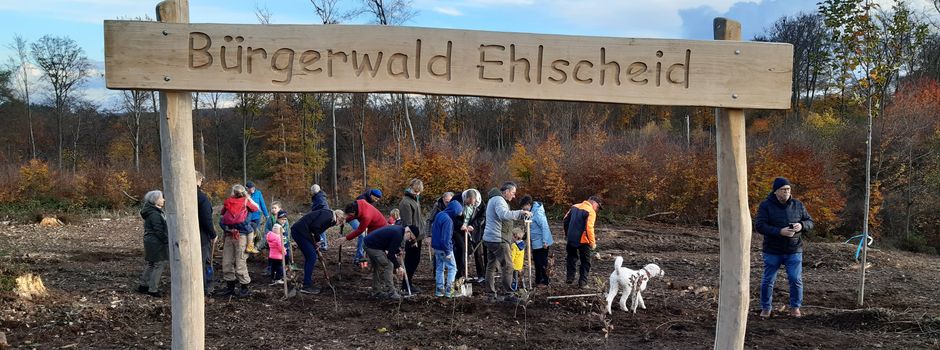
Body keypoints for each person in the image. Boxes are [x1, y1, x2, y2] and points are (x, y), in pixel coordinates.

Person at [755, 177, 813, 318]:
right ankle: (766, 307)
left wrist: (802, 226)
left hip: (794, 249)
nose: (786, 192)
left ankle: (795, 307)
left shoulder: (798, 205)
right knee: (768, 280)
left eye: (788, 189)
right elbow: (760, 226)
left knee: (795, 279)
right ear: (776, 191)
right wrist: (779, 231)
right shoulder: (766, 206)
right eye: (783, 189)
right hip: (772, 250)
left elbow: (810, 221)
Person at [483, 182, 531, 302]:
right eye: (513, 193)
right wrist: (521, 212)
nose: (514, 196)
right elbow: (503, 214)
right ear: (507, 191)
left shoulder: (493, 200)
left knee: (491, 266)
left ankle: (490, 294)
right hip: (498, 239)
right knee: (508, 266)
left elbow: (504, 215)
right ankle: (509, 294)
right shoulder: (499, 200)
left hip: (489, 238)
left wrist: (519, 215)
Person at [217, 184, 259, 297]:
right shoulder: (247, 201)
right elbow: (256, 209)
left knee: (227, 261)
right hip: (241, 235)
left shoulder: (228, 201)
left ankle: (232, 288)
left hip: (230, 234)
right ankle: (243, 289)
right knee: (240, 262)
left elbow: (222, 214)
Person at [291, 208, 346, 295]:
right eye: (339, 223)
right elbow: (315, 227)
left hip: (302, 232)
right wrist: (317, 239)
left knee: (310, 257)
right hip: (300, 232)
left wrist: (316, 242)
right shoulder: (328, 216)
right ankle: (306, 285)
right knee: (311, 257)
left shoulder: (328, 215)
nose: (336, 225)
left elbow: (316, 228)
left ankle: (307, 282)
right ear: (339, 218)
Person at [364, 224, 419, 301]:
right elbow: (390, 255)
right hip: (372, 246)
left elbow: (389, 246)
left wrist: (397, 251)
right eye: (410, 238)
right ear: (408, 232)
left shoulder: (399, 230)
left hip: (371, 244)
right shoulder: (398, 234)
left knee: (379, 267)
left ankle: (376, 291)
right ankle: (391, 292)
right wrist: (398, 267)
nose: (409, 240)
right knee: (388, 265)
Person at [563, 195, 601, 289]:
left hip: (571, 239)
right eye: (598, 207)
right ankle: (583, 283)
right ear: (594, 203)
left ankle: (570, 278)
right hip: (583, 241)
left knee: (571, 258)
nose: (597, 209)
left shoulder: (574, 206)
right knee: (585, 262)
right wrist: (592, 243)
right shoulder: (591, 211)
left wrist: (567, 234)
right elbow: (589, 228)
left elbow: (565, 220)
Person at [137, 190, 168, 297]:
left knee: (151, 263)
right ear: (155, 200)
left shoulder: (151, 212)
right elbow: (158, 230)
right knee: (159, 264)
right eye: (161, 198)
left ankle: (143, 285)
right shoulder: (155, 214)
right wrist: (166, 240)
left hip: (150, 240)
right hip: (155, 242)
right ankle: (153, 289)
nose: (163, 200)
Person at [431, 198, 463, 297]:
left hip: (436, 247)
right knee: (452, 268)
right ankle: (450, 291)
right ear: (455, 211)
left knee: (439, 269)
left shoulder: (439, 215)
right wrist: (448, 251)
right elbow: (445, 238)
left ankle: (439, 291)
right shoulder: (448, 220)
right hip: (444, 248)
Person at [344, 197, 388, 267]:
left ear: (354, 212)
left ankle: (381, 263)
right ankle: (369, 261)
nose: (350, 216)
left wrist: (346, 238)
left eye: (350, 214)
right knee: (368, 243)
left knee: (372, 246)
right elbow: (353, 216)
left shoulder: (366, 216)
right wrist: (346, 220)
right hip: (372, 226)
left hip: (380, 228)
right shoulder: (359, 204)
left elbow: (360, 230)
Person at [398, 178, 424, 293]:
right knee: (411, 261)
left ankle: (408, 283)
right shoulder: (405, 202)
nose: (418, 193)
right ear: (412, 188)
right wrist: (412, 240)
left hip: (419, 235)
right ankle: (405, 285)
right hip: (412, 237)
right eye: (416, 190)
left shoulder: (415, 199)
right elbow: (407, 224)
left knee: (415, 260)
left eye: (419, 191)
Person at [520, 195, 553, 286]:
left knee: (541, 262)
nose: (522, 208)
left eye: (523, 206)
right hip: (535, 241)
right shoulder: (529, 213)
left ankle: (545, 281)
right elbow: (529, 226)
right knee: (536, 261)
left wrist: (545, 241)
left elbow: (544, 227)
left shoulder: (538, 213)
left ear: (528, 204)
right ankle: (538, 280)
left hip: (542, 242)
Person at [452, 189, 483, 282]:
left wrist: (473, 225)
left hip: (473, 229)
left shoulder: (481, 203)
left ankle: (481, 274)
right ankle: (460, 275)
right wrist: (460, 225)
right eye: (468, 203)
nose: (470, 205)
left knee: (477, 252)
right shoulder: (456, 200)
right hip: (459, 230)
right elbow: (452, 216)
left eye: (472, 203)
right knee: (461, 250)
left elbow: (482, 217)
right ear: (465, 198)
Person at [195, 171, 218, 297]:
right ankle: (205, 288)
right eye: (201, 180)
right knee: (205, 263)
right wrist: (213, 234)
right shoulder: (201, 198)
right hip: (201, 236)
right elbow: (206, 219)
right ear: (198, 180)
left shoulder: (181, 195)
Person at [350, 188, 383, 263]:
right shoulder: (362, 199)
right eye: (375, 198)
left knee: (368, 235)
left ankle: (365, 255)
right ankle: (358, 258)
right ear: (371, 195)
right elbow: (359, 214)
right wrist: (364, 224)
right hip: (353, 217)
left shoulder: (372, 201)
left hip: (363, 219)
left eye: (378, 199)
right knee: (362, 234)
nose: (376, 200)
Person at [245, 181, 269, 254]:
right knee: (248, 233)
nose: (252, 189)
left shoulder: (258, 193)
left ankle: (255, 247)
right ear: (247, 189)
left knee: (256, 233)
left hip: (256, 217)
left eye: (253, 188)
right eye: (250, 188)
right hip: (247, 218)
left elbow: (262, 204)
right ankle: (247, 249)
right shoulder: (244, 195)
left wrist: (266, 215)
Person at [265, 209, 291, 273]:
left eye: (285, 219)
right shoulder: (276, 226)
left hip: (285, 244)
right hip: (278, 246)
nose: (283, 221)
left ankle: (285, 267)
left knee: (287, 256)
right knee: (275, 259)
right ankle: (271, 269)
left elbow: (287, 233)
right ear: (278, 219)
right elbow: (275, 237)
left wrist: (288, 240)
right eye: (282, 219)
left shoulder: (286, 224)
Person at [310, 184, 330, 251]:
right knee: (321, 230)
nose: (312, 191)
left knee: (320, 229)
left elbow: (321, 204)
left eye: (312, 190)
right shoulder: (319, 196)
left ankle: (323, 244)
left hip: (322, 214)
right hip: (321, 214)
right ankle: (323, 244)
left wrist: (313, 209)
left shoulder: (319, 196)